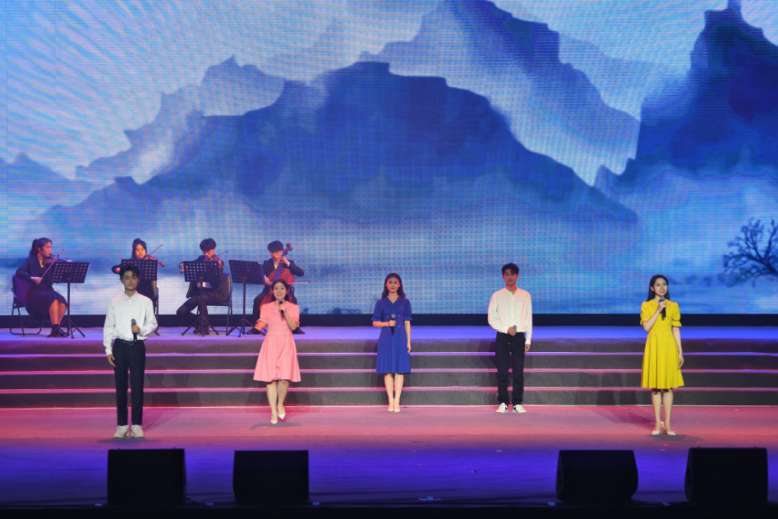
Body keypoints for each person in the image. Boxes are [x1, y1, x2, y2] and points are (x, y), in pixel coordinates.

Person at [103, 264, 157, 439]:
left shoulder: (146, 301)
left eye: (133, 277)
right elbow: (109, 326)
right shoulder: (114, 301)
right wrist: (108, 349)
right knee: (120, 387)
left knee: (137, 386)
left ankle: (136, 425)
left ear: (138, 280)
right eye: (126, 277)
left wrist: (141, 330)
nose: (130, 281)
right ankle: (121, 425)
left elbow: (153, 323)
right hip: (119, 346)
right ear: (121, 280)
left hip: (137, 346)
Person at [640, 274, 684, 436]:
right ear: (652, 288)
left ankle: (668, 424)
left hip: (669, 347)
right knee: (656, 387)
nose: (662, 287)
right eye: (658, 285)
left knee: (668, 387)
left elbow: (676, 330)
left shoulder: (673, 305)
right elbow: (647, 328)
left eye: (664, 284)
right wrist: (658, 310)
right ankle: (658, 424)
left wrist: (680, 351)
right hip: (654, 346)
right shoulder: (646, 305)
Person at [253, 280, 301, 424]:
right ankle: (273, 411)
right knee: (270, 379)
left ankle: (280, 404)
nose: (279, 291)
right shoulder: (266, 307)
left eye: (282, 288)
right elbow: (262, 324)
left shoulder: (293, 307)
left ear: (287, 290)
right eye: (276, 288)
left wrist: (284, 311)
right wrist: (259, 325)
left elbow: (293, 327)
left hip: (286, 343)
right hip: (271, 344)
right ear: (272, 291)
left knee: (285, 378)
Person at [487, 263, 533, 414]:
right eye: (506, 274)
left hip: (519, 336)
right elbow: (491, 318)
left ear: (517, 276)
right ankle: (503, 402)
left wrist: (528, 339)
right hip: (503, 335)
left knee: (518, 370)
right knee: (502, 370)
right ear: (503, 276)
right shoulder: (497, 295)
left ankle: (518, 402)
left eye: (512, 274)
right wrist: (506, 328)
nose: (510, 277)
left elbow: (528, 318)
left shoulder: (525, 295)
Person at [371, 273, 412, 412]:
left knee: (400, 370)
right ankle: (390, 400)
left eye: (395, 282)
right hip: (386, 338)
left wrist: (408, 342)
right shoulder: (381, 303)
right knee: (387, 370)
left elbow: (407, 323)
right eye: (390, 282)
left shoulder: (405, 302)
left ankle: (397, 401)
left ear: (399, 285)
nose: (393, 285)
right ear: (386, 285)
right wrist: (387, 324)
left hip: (400, 338)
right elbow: (375, 323)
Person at [14, 238, 68, 337]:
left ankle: (56, 328)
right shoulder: (30, 261)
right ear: (39, 249)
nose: (50, 250)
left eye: (51, 247)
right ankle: (55, 329)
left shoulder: (49, 262)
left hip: (47, 290)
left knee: (62, 301)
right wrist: (31, 278)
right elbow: (19, 272)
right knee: (53, 298)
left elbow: (54, 278)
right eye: (47, 247)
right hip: (34, 293)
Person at [250, 241, 304, 334]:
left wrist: (288, 263)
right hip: (269, 290)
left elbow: (301, 273)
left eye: (279, 252)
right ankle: (256, 327)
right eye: (274, 252)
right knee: (257, 300)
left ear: (282, 251)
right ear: (270, 253)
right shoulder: (267, 263)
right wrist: (264, 278)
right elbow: (260, 273)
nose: (277, 254)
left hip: (286, 293)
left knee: (293, 301)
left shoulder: (289, 262)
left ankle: (295, 327)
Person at [176, 238, 226, 335]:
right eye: (207, 251)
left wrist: (218, 266)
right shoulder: (201, 259)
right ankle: (201, 323)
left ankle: (204, 328)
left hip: (215, 293)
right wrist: (183, 266)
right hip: (200, 294)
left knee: (201, 299)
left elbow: (217, 282)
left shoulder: (218, 262)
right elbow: (188, 264)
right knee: (180, 312)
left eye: (212, 250)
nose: (212, 252)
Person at [111, 238, 160, 304]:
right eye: (137, 250)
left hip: (148, 294)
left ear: (145, 250)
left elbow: (153, 280)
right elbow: (114, 268)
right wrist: (119, 269)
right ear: (134, 251)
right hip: (133, 293)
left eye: (142, 249)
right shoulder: (130, 262)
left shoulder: (150, 262)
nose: (140, 252)